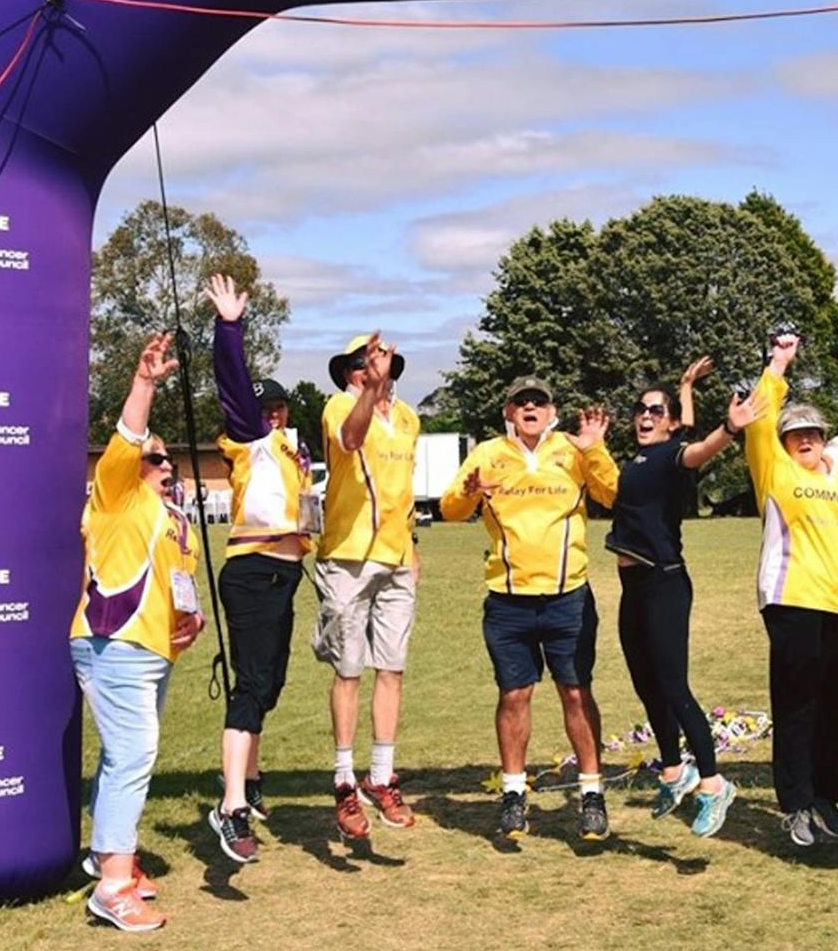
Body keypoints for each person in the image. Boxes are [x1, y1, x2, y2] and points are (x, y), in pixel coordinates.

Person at [439, 377, 619, 841]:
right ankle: (514, 794)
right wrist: (470, 491)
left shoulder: (572, 448)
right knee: (514, 695)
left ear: (552, 409)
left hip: (568, 596)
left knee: (575, 692)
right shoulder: (487, 452)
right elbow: (450, 509)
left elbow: (613, 495)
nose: (531, 407)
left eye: (539, 401)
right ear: (508, 410)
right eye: (522, 401)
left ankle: (592, 793)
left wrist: (595, 448)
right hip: (508, 599)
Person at [71, 333, 205, 932]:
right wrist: (144, 384)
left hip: (154, 648)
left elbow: (183, 583)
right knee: (133, 754)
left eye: (169, 459)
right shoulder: (116, 495)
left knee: (123, 755)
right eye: (155, 458)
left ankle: (106, 857)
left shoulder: (176, 518)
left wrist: (192, 617)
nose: (164, 465)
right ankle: (113, 884)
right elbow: (129, 435)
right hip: (113, 640)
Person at [744, 331, 838, 848]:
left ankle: (827, 795)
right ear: (783, 442)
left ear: (826, 437)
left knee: (835, 704)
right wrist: (778, 365)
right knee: (797, 705)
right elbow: (760, 420)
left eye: (813, 433)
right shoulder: (774, 472)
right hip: (791, 602)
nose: (805, 440)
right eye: (794, 434)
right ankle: (796, 803)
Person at [606, 357, 759, 838]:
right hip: (633, 588)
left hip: (664, 585)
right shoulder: (646, 454)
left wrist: (729, 431)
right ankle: (673, 771)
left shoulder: (672, 455)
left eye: (656, 410)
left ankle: (713, 784)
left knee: (674, 687)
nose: (645, 416)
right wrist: (685, 387)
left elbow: (697, 449)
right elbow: (685, 429)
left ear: (668, 422)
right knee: (645, 683)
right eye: (640, 409)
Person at [203, 274, 318, 863]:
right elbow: (230, 385)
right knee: (250, 687)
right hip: (251, 571)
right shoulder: (247, 440)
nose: (271, 415)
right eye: (264, 407)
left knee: (269, 684)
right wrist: (230, 326)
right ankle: (230, 807)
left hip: (285, 574)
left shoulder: (292, 456)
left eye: (278, 406)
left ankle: (250, 781)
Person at [314, 332, 420, 840]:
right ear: (350, 372)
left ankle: (382, 776)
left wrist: (413, 553)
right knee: (349, 670)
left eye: (380, 362)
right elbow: (351, 440)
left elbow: (402, 494)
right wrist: (367, 394)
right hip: (348, 558)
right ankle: (343, 780)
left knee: (392, 669)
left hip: (397, 559)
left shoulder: (409, 419)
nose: (372, 369)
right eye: (362, 363)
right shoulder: (339, 406)